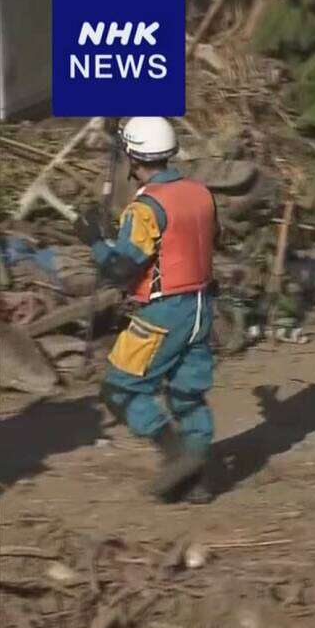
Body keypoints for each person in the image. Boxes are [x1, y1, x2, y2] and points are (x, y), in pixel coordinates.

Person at [74, 117, 219, 503]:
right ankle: (198, 478)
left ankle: (177, 457)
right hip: (203, 307)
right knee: (187, 394)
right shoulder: (200, 192)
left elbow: (122, 269)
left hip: (164, 312)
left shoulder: (145, 208)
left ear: (132, 157)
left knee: (120, 389)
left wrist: (94, 240)